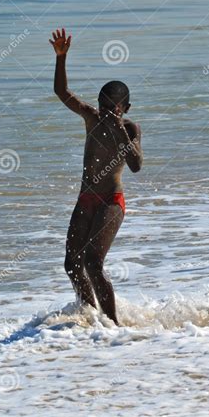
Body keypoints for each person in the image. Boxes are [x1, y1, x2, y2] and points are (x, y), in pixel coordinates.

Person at [49, 28, 143, 325]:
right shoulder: (91, 117)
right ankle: (91, 317)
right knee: (71, 264)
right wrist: (61, 58)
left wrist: (118, 129)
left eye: (112, 109)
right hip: (86, 198)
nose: (105, 113)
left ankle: (113, 325)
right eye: (102, 106)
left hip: (111, 201)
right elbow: (62, 94)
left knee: (93, 262)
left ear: (125, 108)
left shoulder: (129, 129)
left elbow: (136, 164)